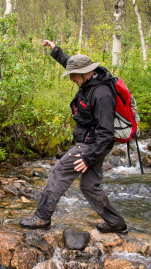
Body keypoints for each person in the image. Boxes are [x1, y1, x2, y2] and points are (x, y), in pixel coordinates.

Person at [19, 40, 128, 234]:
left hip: (92, 144)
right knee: (89, 186)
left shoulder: (101, 94)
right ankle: (115, 222)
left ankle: (42, 218)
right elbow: (71, 63)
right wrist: (56, 51)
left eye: (72, 76)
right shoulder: (90, 78)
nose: (71, 79)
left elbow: (106, 133)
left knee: (58, 173)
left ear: (85, 72)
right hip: (93, 142)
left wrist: (88, 157)